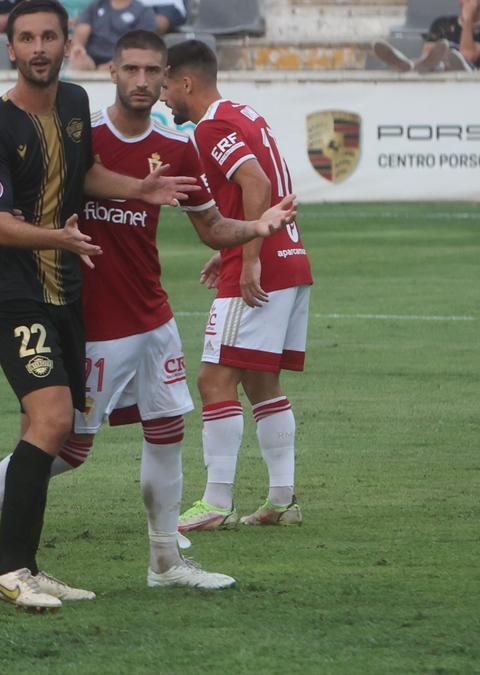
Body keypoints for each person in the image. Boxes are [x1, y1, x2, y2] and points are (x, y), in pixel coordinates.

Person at [0, 29, 299, 600]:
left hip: (153, 316)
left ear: (166, 75)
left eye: (154, 71)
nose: (144, 82)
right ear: (113, 73)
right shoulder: (82, 131)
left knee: (169, 430)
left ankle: (165, 560)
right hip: (92, 322)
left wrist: (254, 229)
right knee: (67, 448)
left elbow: (210, 227)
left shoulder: (179, 144)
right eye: (132, 70)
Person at [0, 0, 199, 612]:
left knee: (49, 430)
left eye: (49, 37)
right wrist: (57, 235)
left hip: (66, 292)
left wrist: (140, 188)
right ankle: (3, 566)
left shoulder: (76, 104)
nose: (38, 47)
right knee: (56, 423)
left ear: (67, 45)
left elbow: (84, 175)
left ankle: (15, 561)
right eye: (27, 37)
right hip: (13, 292)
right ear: (10, 49)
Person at [161, 40, 314, 532]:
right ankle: (283, 499)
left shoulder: (211, 126)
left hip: (262, 268)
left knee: (214, 381)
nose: (163, 98)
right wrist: (227, 248)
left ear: (186, 82)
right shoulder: (247, 114)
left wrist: (247, 260)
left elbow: (257, 186)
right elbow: (270, 186)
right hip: (291, 260)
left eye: (165, 86)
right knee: (261, 381)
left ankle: (215, 502)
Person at [373, 0, 479, 73]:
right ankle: (404, 64)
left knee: (454, 57)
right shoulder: (442, 23)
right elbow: (427, 54)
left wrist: (467, 20)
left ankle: (409, 65)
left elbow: (468, 55)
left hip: (468, 73)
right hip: (436, 70)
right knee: (434, 60)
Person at [69, 0, 154, 70]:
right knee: (77, 60)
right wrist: (78, 47)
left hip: (123, 61)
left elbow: (141, 44)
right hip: (91, 59)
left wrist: (117, 62)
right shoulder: (95, 5)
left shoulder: (143, 11)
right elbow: (82, 30)